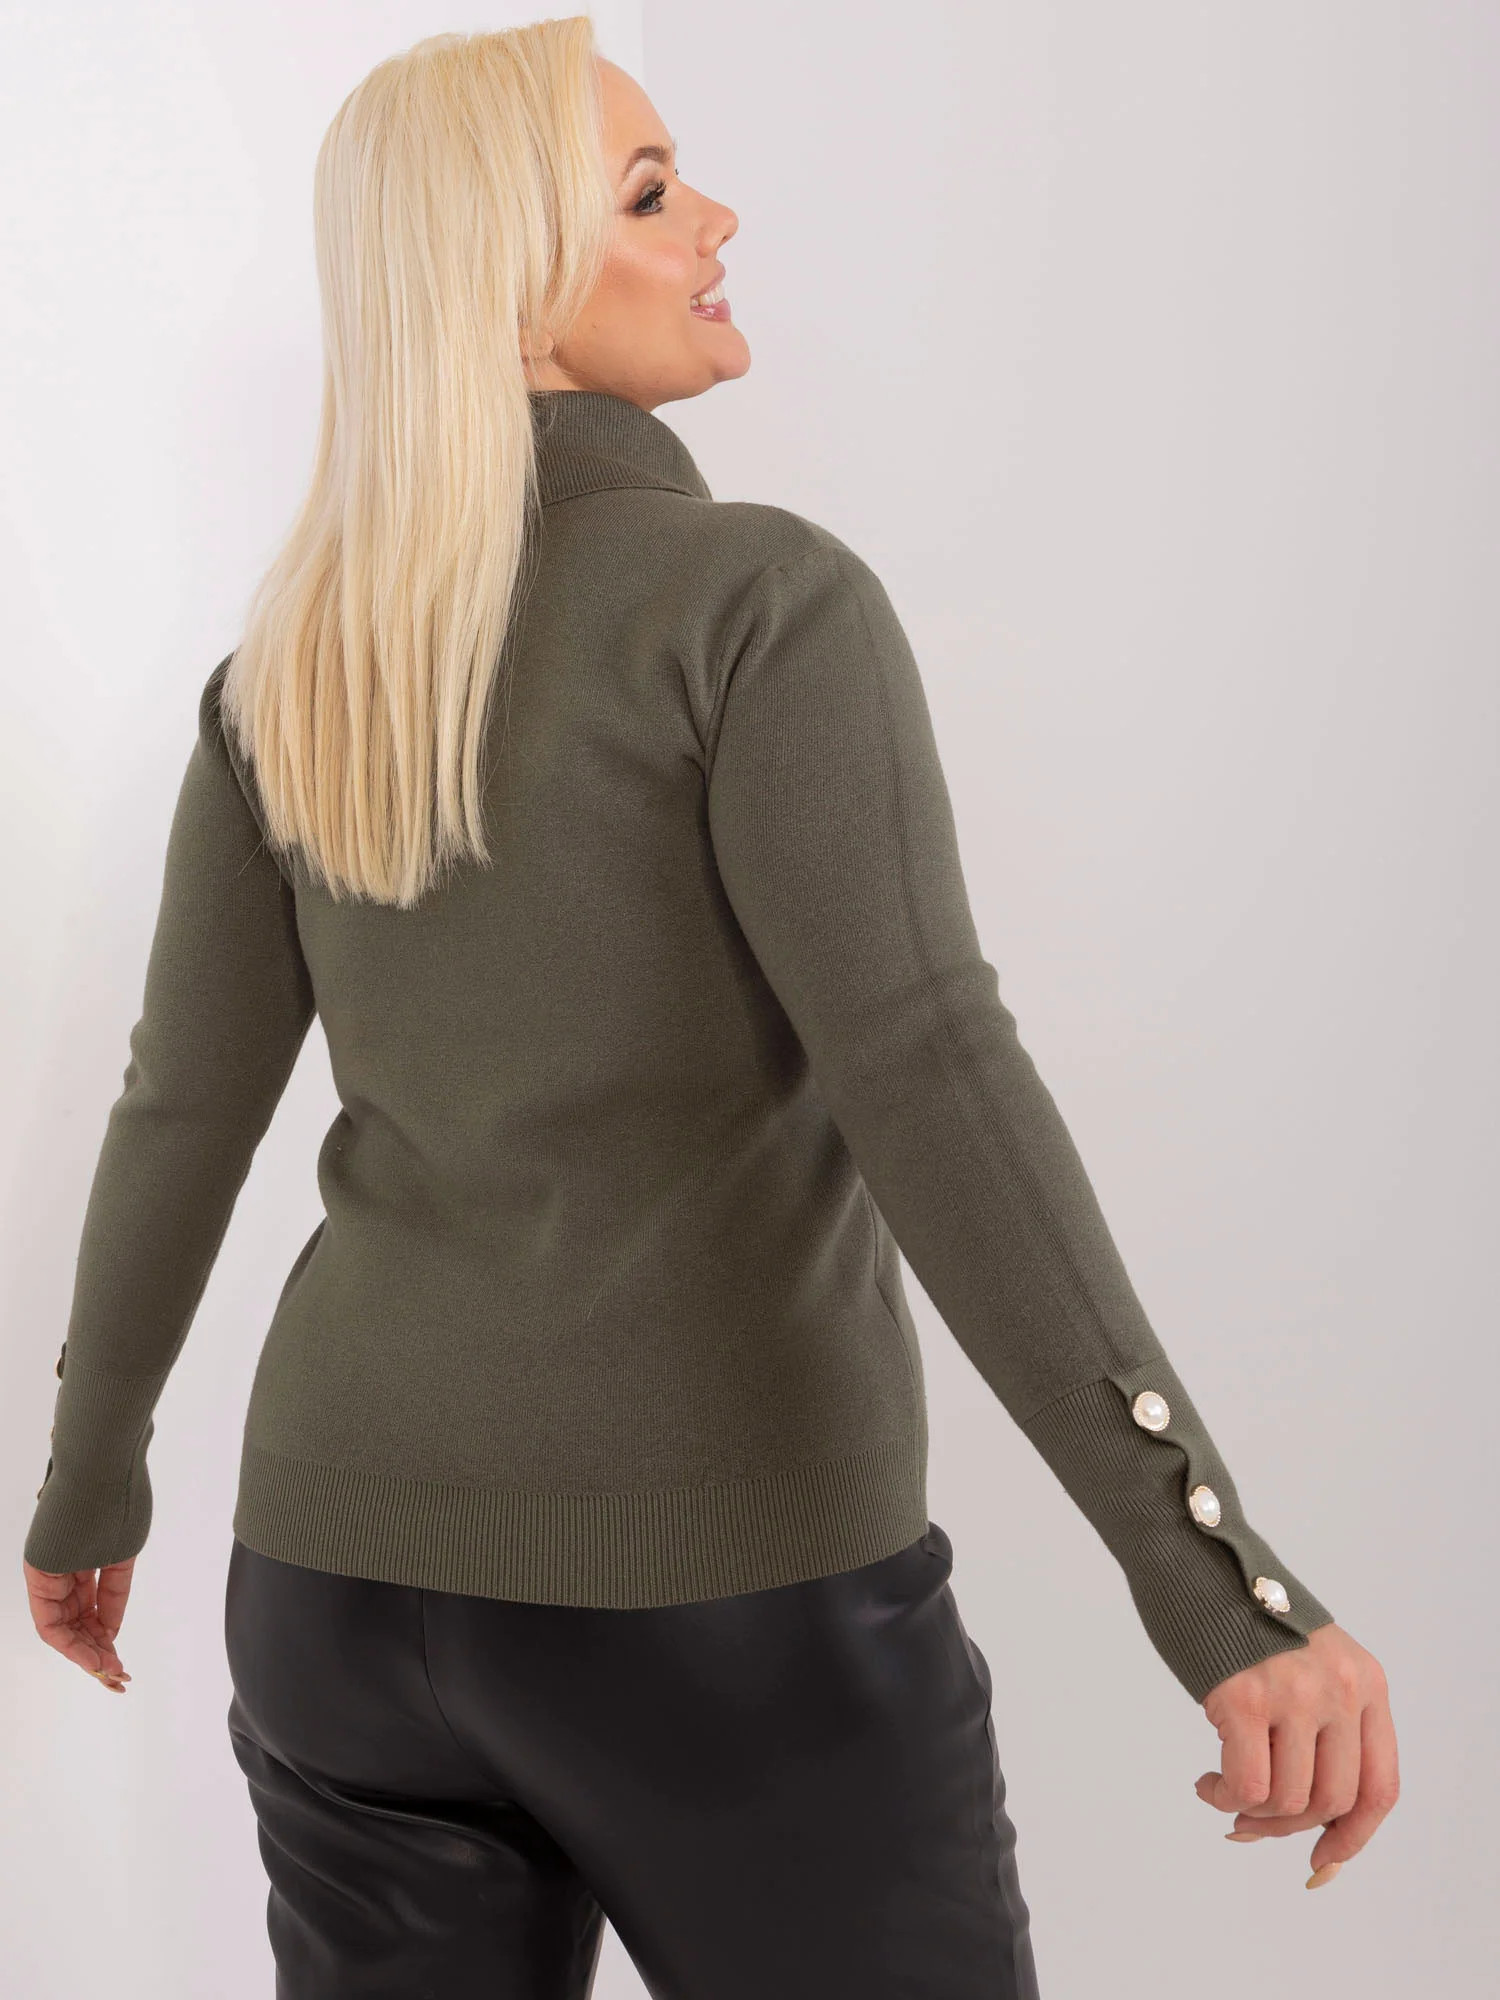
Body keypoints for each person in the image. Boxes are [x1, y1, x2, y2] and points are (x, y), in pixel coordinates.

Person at [21, 19, 1398, 1997]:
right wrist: (1221, 1585)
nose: (717, 222)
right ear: (509, 276)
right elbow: (931, 1076)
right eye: (652, 193)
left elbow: (179, 1106)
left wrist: (86, 1486)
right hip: (724, 1614)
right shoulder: (755, 603)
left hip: (333, 1600)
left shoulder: (297, 669)